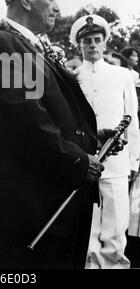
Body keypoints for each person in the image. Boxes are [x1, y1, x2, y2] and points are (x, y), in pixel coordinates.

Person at [0, 0, 105, 269]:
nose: (58, 7)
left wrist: (97, 138)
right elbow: (23, 123)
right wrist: (78, 159)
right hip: (33, 211)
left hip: (59, 201)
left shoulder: (34, 47)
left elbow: (55, 116)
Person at [70, 14, 140, 269]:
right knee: (89, 229)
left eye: (97, 40)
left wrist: (133, 162)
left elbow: (132, 121)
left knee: (115, 229)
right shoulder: (73, 78)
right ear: (80, 45)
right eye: (87, 41)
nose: (92, 45)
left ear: (104, 43)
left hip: (117, 164)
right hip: (86, 163)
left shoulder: (121, 75)